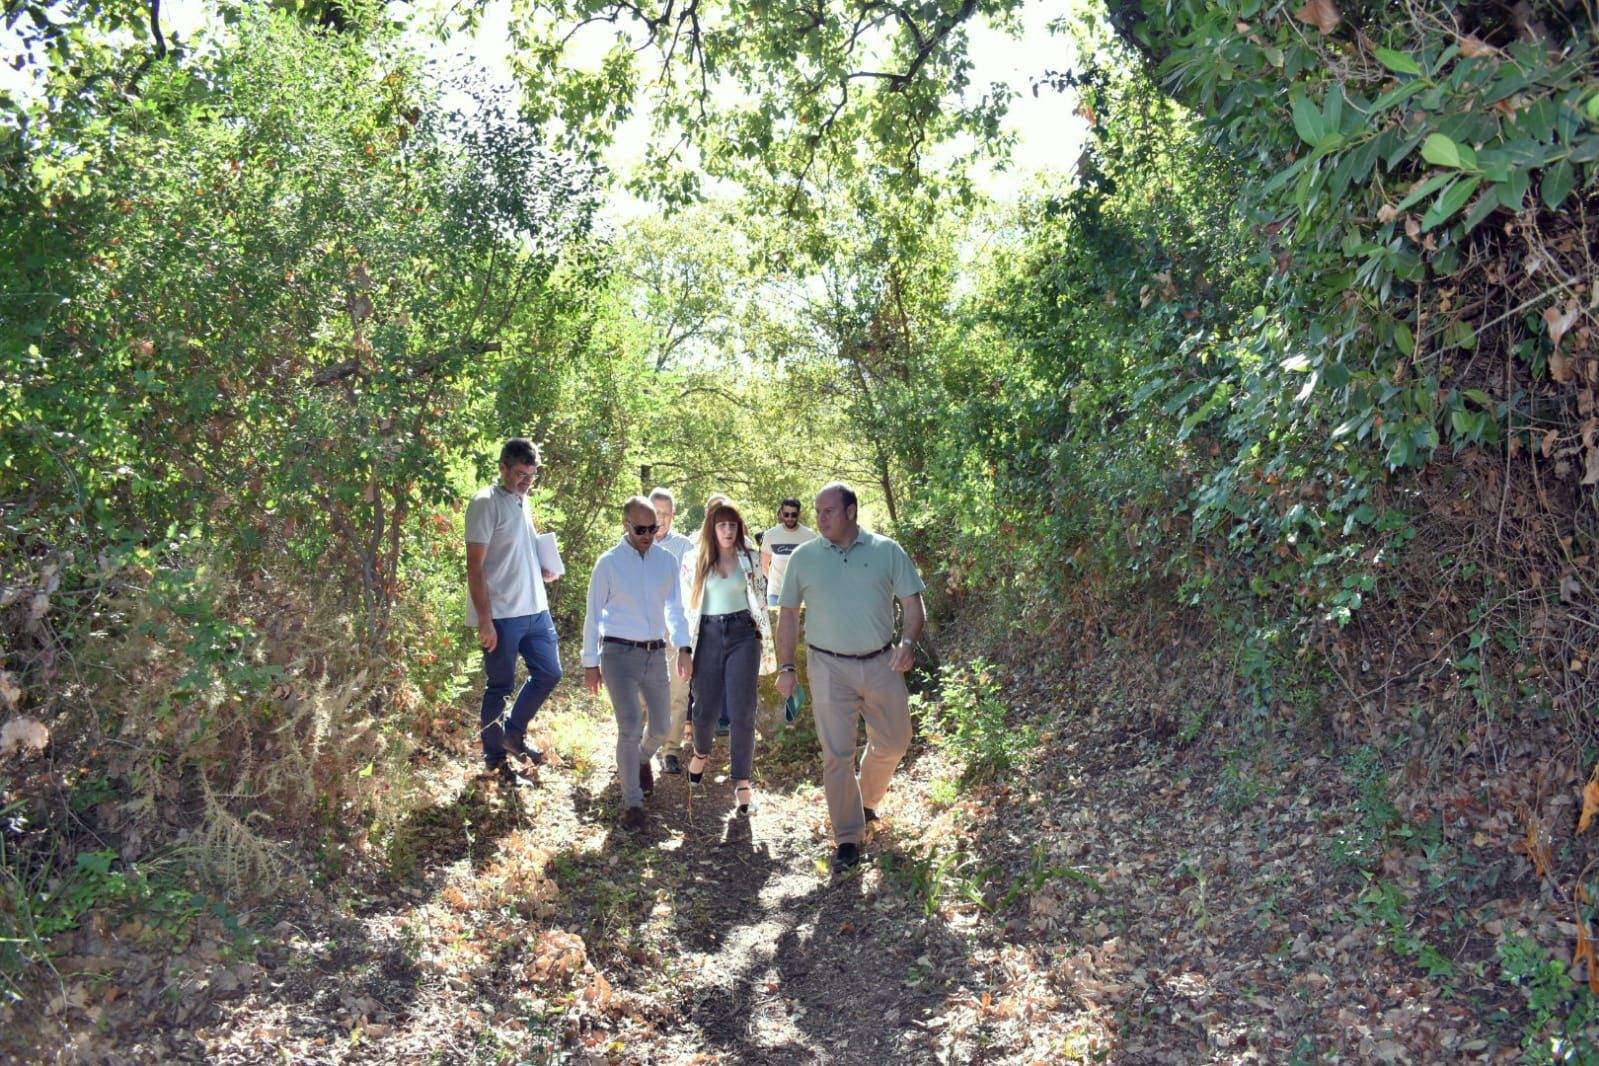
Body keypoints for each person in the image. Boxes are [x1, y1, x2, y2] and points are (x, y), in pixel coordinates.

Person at [775, 482, 925, 870]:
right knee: (837, 754)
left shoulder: (886, 551)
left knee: (895, 741)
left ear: (851, 511)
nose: (820, 518)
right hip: (828, 666)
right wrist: (786, 667)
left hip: (882, 661)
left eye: (828, 511)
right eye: (817, 511)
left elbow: (913, 603)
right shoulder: (804, 558)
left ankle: (866, 801)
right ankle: (847, 837)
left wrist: (908, 643)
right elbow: (787, 615)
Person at [581, 496, 694, 829]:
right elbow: (593, 616)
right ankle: (632, 803)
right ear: (626, 525)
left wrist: (684, 646)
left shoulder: (666, 561)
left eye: (652, 528)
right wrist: (590, 663)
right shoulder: (609, 563)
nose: (647, 535)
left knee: (660, 726)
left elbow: (676, 609)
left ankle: (639, 760)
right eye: (640, 529)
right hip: (618, 654)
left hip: (656, 653)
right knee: (630, 725)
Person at [466, 438, 563, 786]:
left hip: (535, 609)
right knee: (500, 687)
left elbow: (518, 550)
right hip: (502, 614)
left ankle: (513, 734)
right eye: (521, 474)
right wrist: (485, 620)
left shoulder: (523, 500)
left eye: (533, 475)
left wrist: (542, 567)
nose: (527, 481)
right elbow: (475, 566)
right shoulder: (485, 503)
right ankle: (495, 763)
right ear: (503, 468)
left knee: (549, 673)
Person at [684, 499, 771, 813]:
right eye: (721, 525)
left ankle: (742, 782)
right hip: (706, 634)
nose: (727, 530)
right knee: (704, 707)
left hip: (743, 634)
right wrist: (683, 649)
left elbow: (764, 594)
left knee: (742, 710)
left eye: (732, 525)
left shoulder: (750, 558)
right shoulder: (695, 559)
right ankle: (701, 752)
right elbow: (683, 607)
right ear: (712, 528)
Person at [648, 487, 696, 775]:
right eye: (657, 513)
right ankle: (642, 748)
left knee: (678, 691)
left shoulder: (685, 547)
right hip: (641, 629)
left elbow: (694, 589)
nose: (661, 519)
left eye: (666, 514)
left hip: (675, 630)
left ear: (673, 515)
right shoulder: (633, 543)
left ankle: (671, 751)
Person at [760, 498, 817, 611]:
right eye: (786, 514)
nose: (790, 518)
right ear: (781, 513)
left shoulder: (810, 536)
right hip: (776, 594)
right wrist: (774, 582)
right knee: (776, 623)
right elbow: (763, 564)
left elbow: (814, 566)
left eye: (793, 515)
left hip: (801, 594)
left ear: (799, 513)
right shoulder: (771, 535)